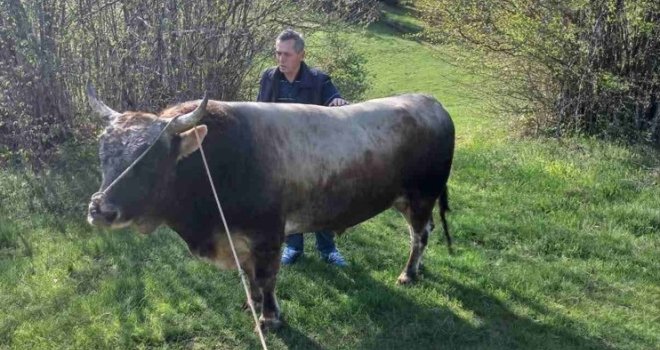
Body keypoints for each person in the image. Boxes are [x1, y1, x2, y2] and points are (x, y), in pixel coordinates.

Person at [257, 28, 348, 267]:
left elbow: (334, 101)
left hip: (315, 155)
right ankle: (293, 247)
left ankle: (328, 249)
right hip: (282, 154)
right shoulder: (269, 77)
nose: (281, 59)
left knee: (321, 199)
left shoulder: (319, 80)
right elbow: (260, 111)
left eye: (286, 54)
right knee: (286, 200)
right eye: (278, 53)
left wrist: (337, 102)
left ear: (301, 55)